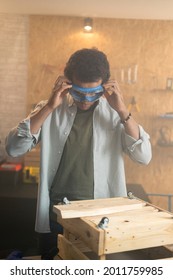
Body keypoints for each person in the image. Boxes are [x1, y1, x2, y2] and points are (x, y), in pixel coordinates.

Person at [5, 48, 152, 259]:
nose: (85, 100)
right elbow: (13, 148)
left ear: (106, 86)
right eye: (79, 92)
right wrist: (48, 106)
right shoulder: (51, 108)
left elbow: (144, 156)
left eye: (94, 93)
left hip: (100, 216)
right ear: (67, 83)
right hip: (57, 214)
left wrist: (121, 110)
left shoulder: (115, 114)